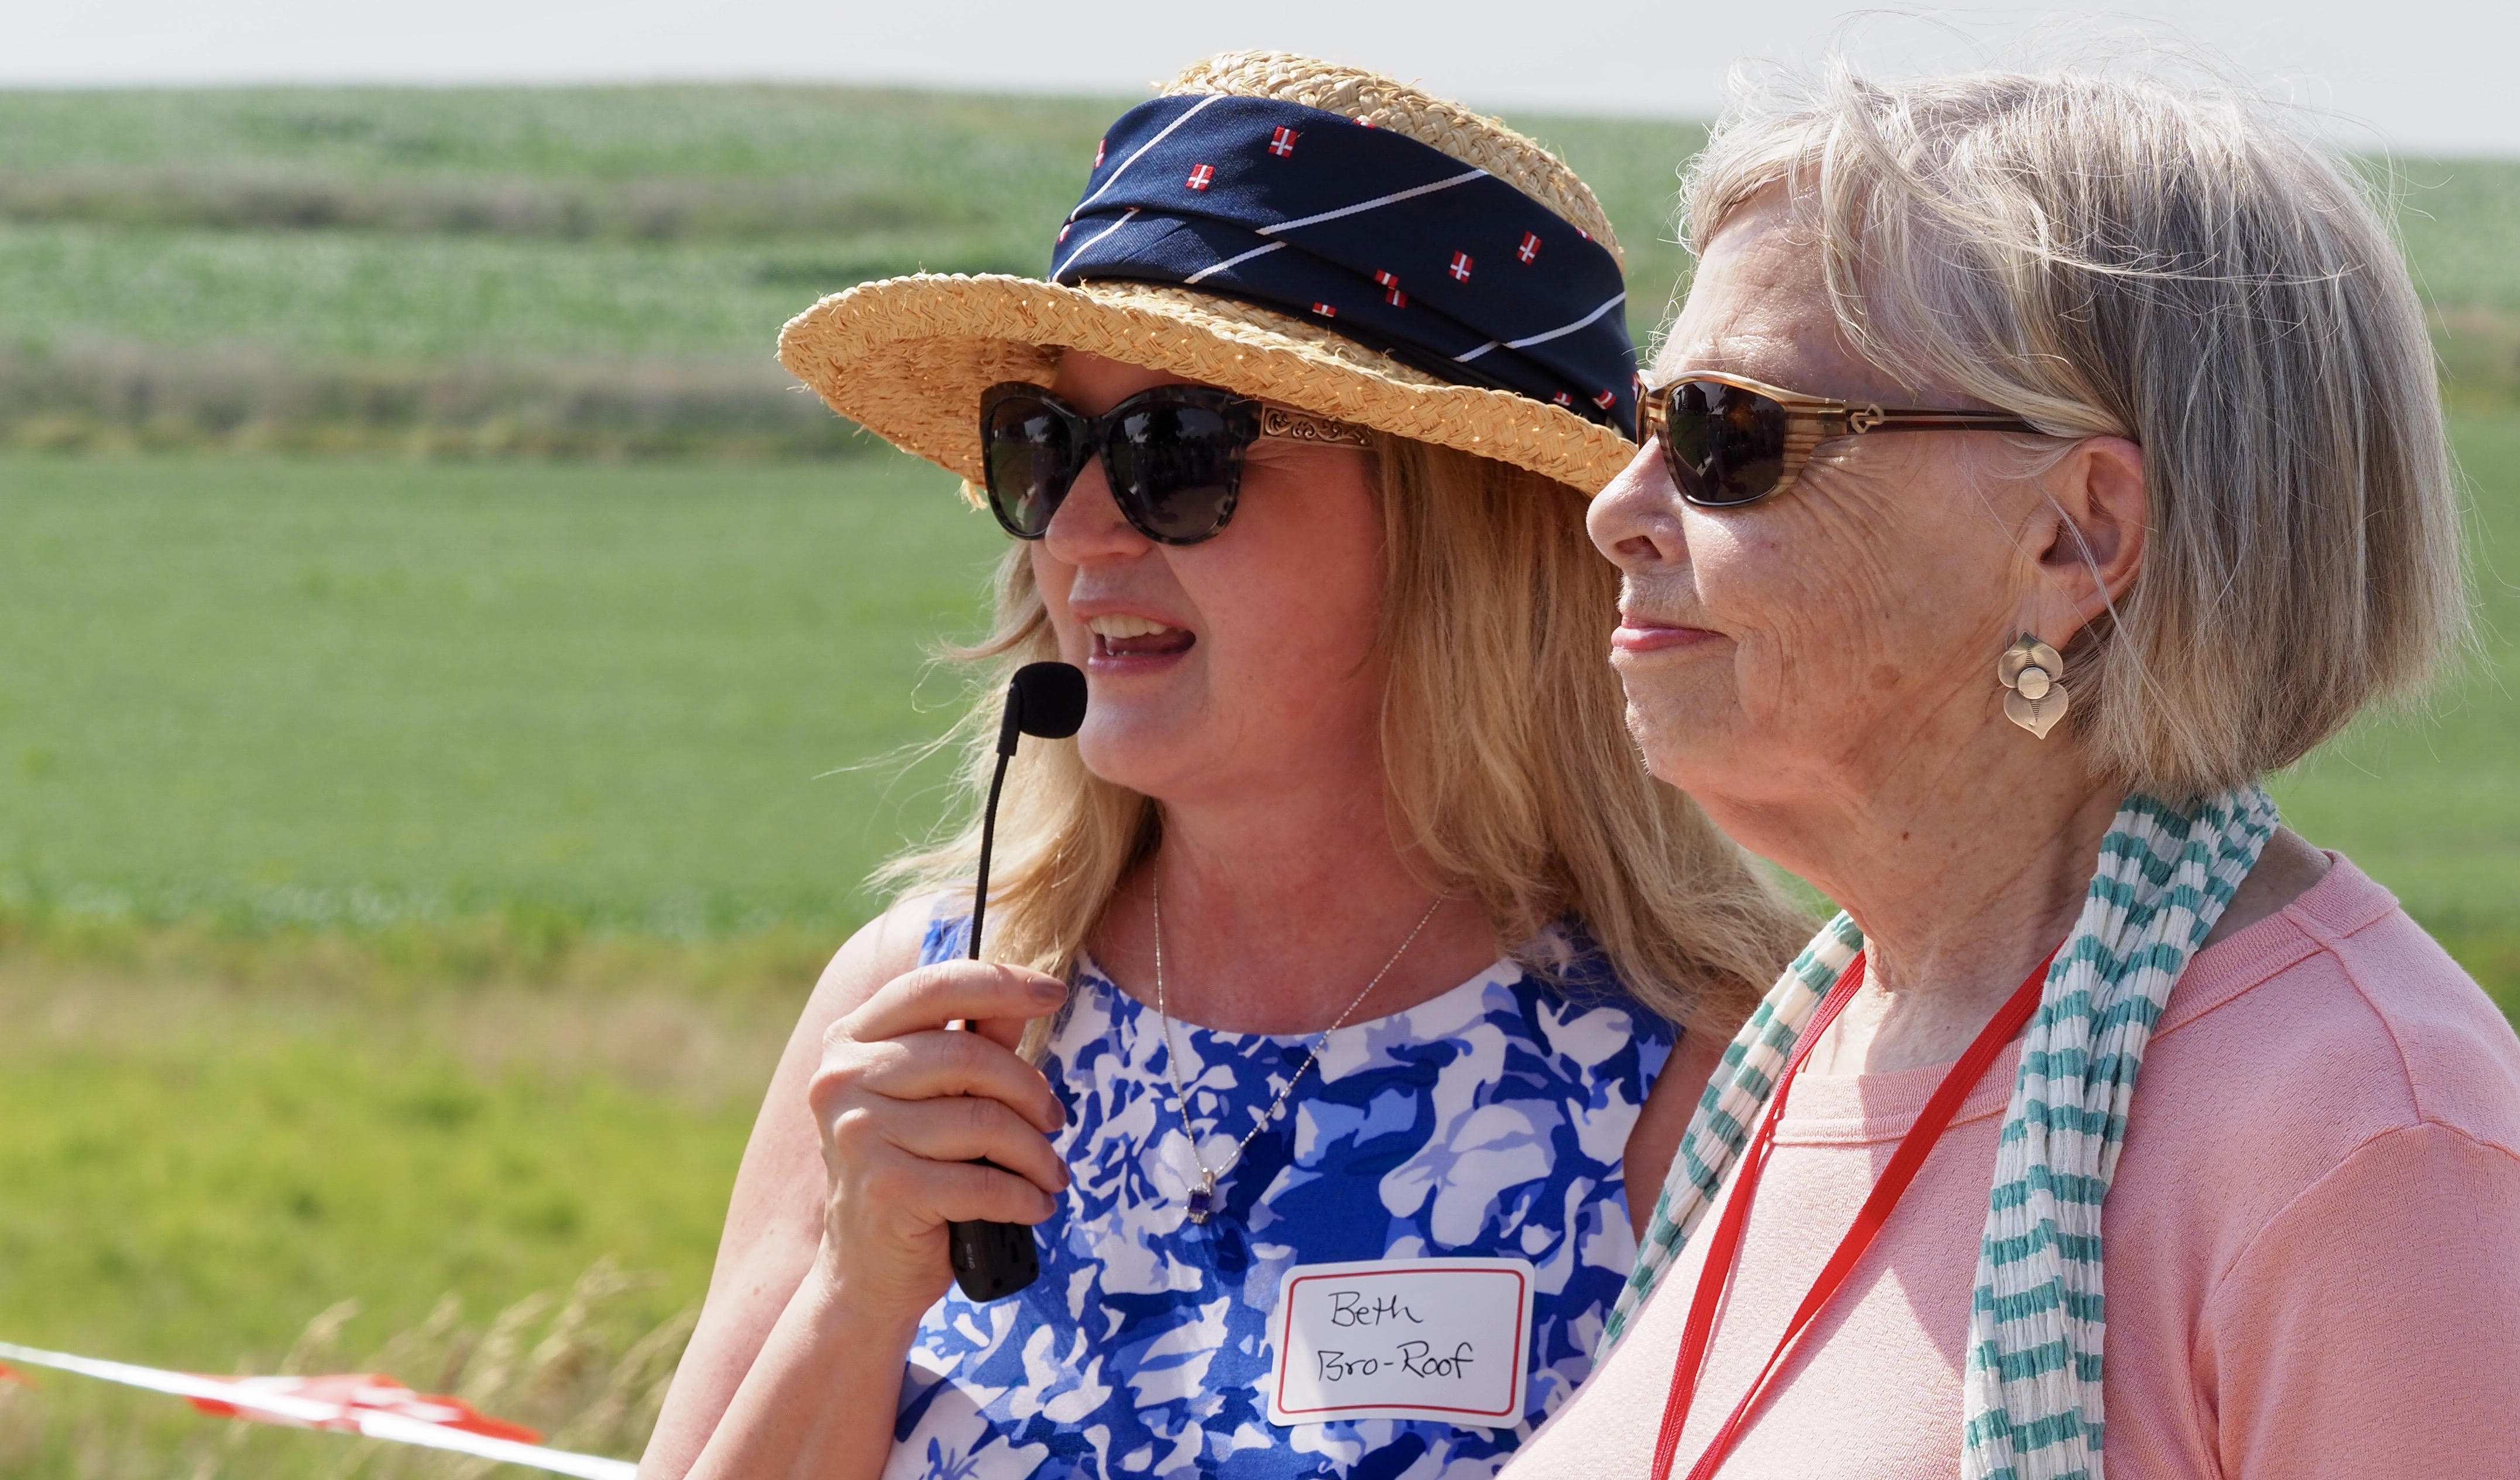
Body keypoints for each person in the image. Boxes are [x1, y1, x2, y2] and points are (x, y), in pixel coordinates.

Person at [639, 53, 1811, 1480]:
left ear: (1456, 530)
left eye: (1173, 449)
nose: (1074, 528)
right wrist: (852, 1291)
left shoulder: (1699, 1079)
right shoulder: (921, 1016)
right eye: (1043, 441)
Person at [1502, 63, 2520, 1480]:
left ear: (2076, 537)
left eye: (1725, 436)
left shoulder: (2369, 1141)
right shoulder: (1811, 1049)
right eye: (1649, 417)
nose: (1620, 506)